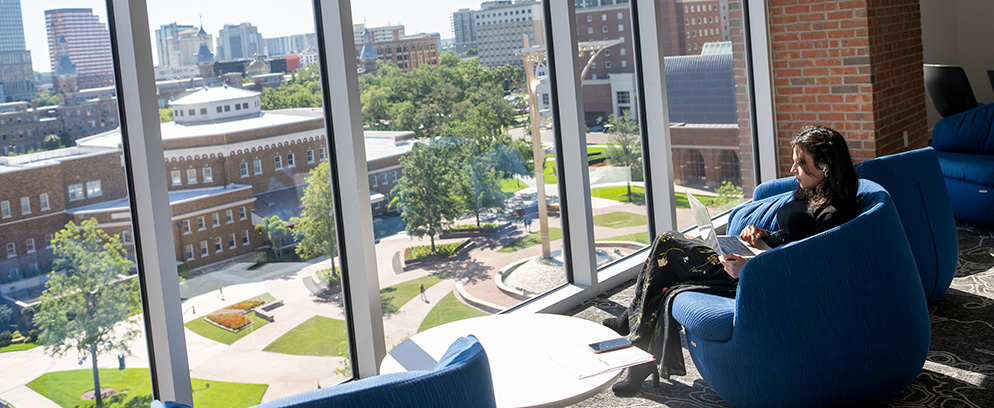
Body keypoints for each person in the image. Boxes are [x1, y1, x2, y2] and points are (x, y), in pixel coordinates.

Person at [602, 126, 861, 395]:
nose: (793, 169)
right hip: (758, 258)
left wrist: (749, 268)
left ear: (826, 166)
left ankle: (635, 334)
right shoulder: (812, 190)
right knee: (666, 246)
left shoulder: (835, 213)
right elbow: (793, 238)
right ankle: (635, 331)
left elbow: (806, 265)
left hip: (758, 277)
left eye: (800, 163)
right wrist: (763, 235)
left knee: (668, 246)